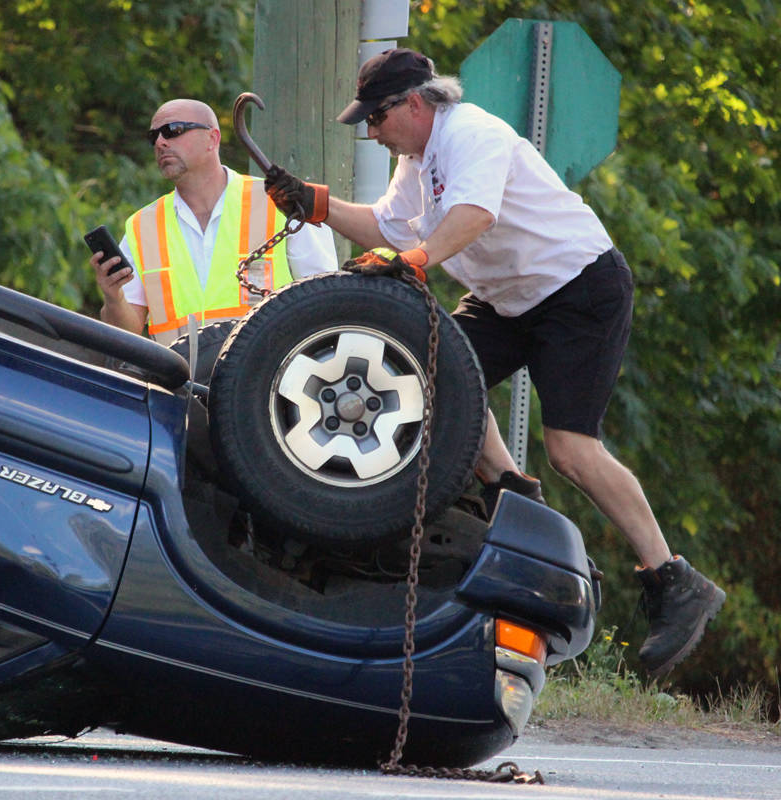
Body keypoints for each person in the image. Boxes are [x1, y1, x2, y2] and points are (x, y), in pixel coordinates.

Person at [263, 48, 724, 679]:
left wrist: (418, 263)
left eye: (377, 118)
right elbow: (388, 227)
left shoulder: (472, 133)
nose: (371, 132)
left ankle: (672, 580)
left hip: (578, 288)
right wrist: (313, 202)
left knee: (569, 448)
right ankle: (520, 508)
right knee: (435, 379)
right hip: (507, 298)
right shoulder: (415, 159)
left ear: (416, 104)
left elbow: (473, 218)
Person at [91, 98, 337, 344]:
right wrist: (113, 297)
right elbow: (124, 336)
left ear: (213, 138)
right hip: (176, 380)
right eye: (153, 136)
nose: (160, 142)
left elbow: (327, 305)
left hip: (264, 378)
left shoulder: (281, 203)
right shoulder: (141, 226)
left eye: (173, 130)